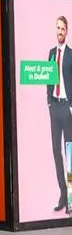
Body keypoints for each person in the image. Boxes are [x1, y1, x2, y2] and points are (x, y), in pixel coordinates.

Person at [47, 16, 72, 213]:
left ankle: (71, 197)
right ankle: (63, 195)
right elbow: (48, 77)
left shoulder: (71, 55)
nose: (60, 31)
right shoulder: (51, 53)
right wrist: (49, 100)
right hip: (54, 107)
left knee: (69, 153)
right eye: (58, 28)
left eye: (63, 28)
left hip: (67, 108)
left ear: (67, 31)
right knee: (56, 151)